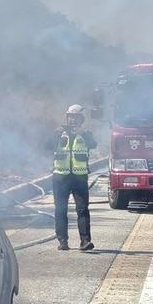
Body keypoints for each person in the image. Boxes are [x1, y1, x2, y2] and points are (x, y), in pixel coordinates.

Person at [47, 104, 97, 251]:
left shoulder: (86, 134)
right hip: (60, 178)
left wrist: (82, 134)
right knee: (60, 209)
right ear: (67, 118)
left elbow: (93, 144)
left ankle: (85, 241)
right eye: (71, 117)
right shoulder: (58, 134)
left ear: (82, 119)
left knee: (82, 209)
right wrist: (57, 135)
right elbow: (46, 146)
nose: (73, 120)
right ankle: (63, 241)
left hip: (79, 178)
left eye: (76, 118)